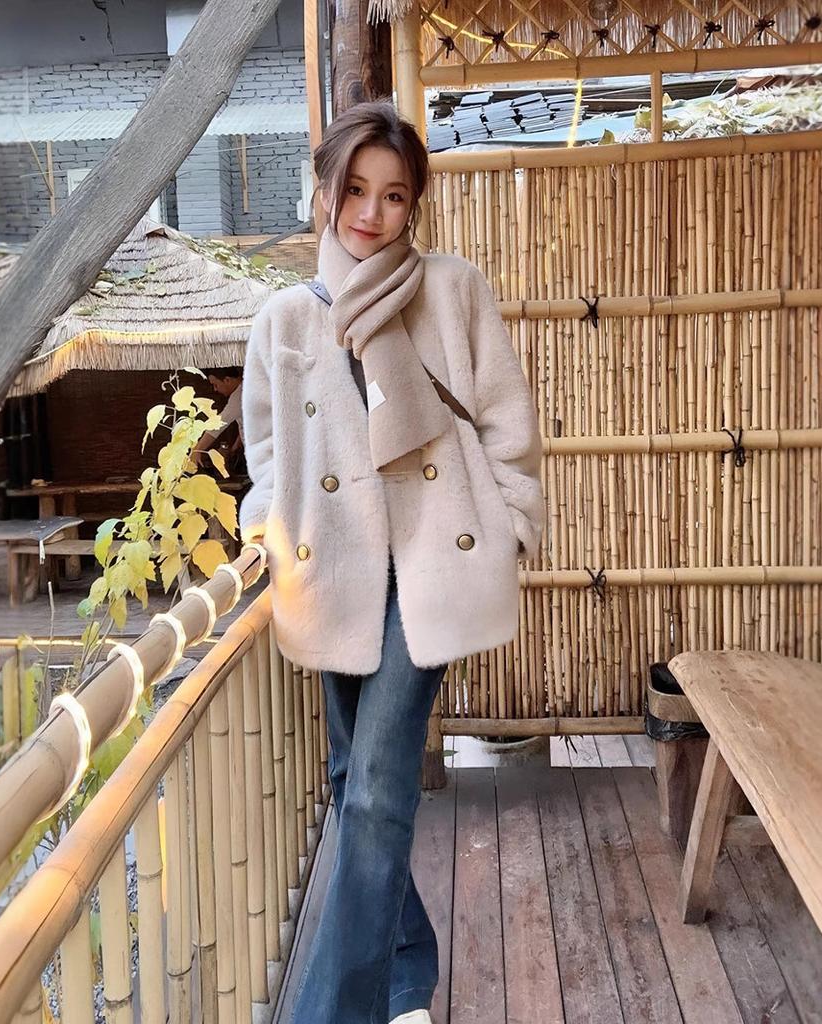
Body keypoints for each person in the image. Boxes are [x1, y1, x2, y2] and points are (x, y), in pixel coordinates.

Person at [238, 100, 545, 1024]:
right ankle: (408, 968)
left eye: (396, 195)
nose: (372, 213)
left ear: (416, 204)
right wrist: (267, 528)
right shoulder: (284, 319)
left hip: (432, 564)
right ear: (326, 191)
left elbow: (507, 420)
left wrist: (512, 523)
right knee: (350, 782)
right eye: (357, 190)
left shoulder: (451, 289)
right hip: (331, 572)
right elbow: (266, 453)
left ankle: (337, 1011)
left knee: (375, 787)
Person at [192, 366, 243, 470]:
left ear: (227, 380)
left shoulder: (239, 396)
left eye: (215, 385)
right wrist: (235, 447)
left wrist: (197, 449)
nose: (215, 389)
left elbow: (218, 424)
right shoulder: (246, 389)